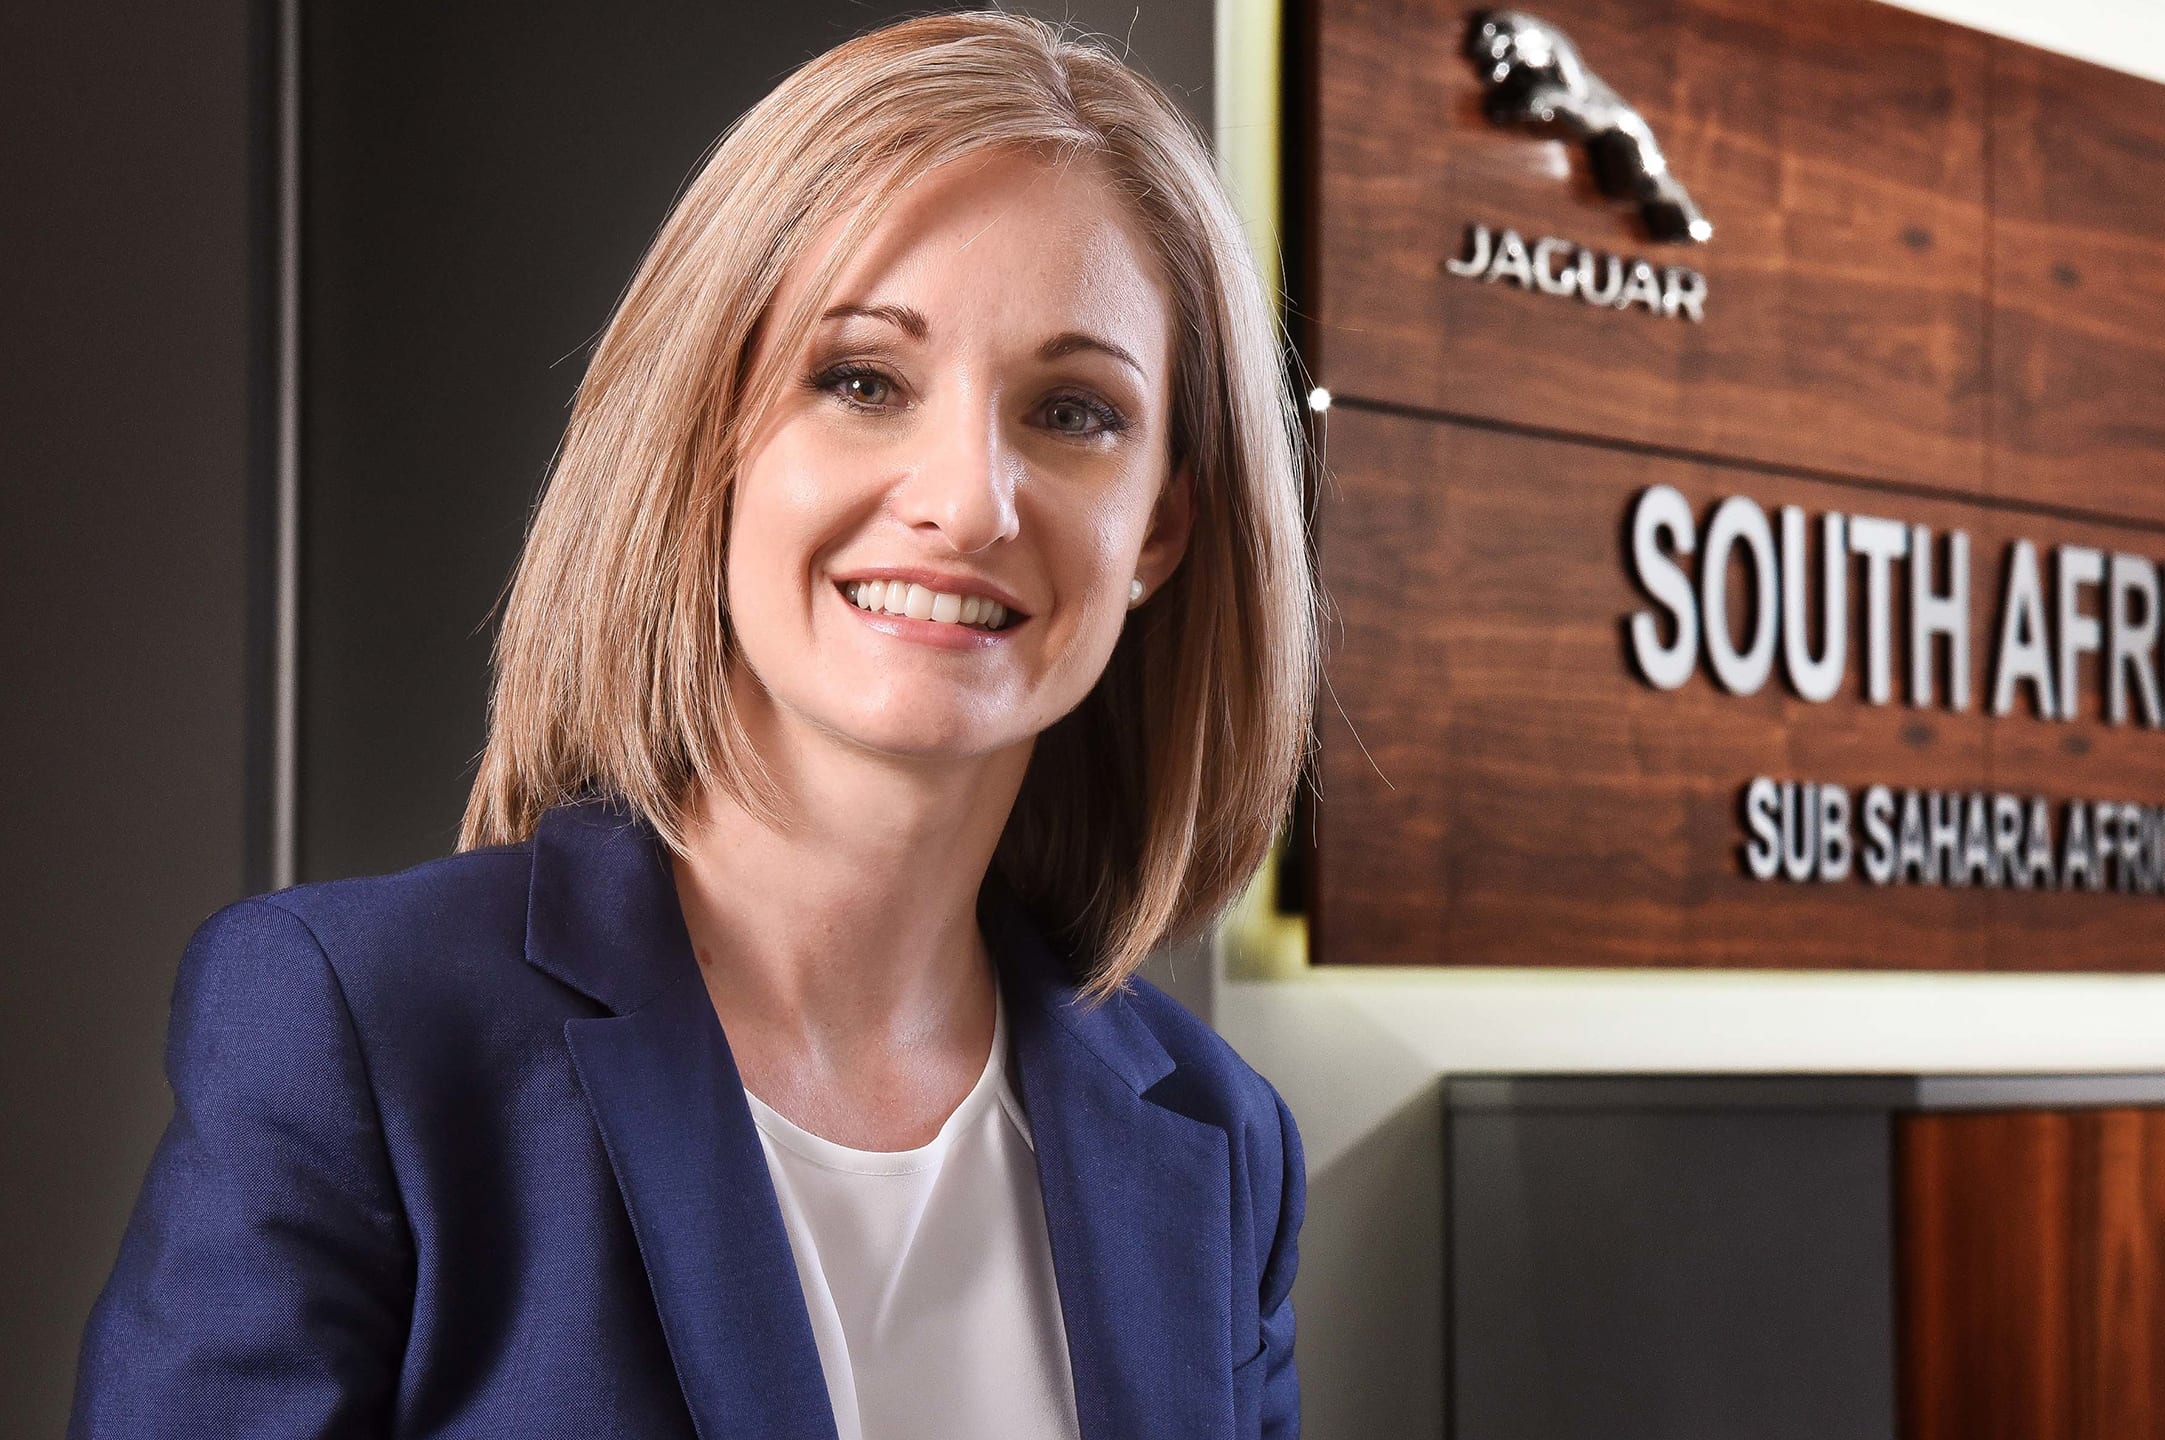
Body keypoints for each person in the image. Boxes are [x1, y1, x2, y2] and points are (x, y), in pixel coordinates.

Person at [68, 12, 1317, 1439]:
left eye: (1074, 411)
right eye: (862, 381)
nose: (970, 501)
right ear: (706, 431)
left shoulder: (1223, 1145)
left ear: (1158, 529)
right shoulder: (361, 1033)